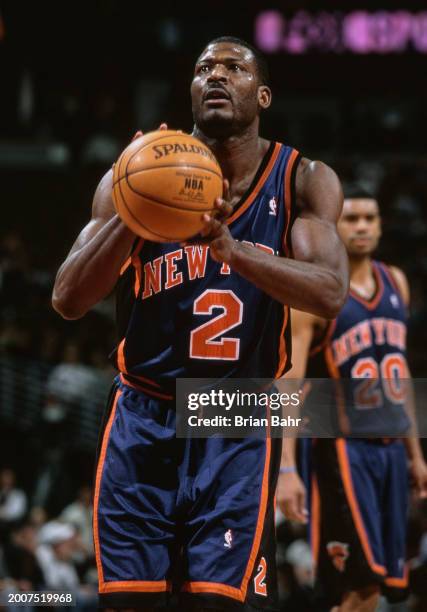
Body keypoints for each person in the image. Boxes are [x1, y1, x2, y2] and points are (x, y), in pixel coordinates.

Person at [52, 36, 348, 612]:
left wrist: (234, 252)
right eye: (203, 68)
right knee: (131, 602)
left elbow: (331, 292)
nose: (215, 75)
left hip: (233, 412)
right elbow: (68, 298)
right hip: (144, 410)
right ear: (190, 90)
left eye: (233, 68)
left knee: (217, 602)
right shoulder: (134, 170)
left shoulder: (301, 179)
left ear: (261, 95)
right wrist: (136, 213)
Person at [277, 185, 427, 611]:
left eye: (370, 218)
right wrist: (287, 467)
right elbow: (291, 381)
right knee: (354, 585)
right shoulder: (314, 294)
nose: (362, 226)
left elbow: (399, 374)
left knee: (377, 585)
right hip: (340, 450)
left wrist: (415, 454)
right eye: (352, 218)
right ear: (333, 226)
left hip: (391, 452)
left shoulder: (395, 281)